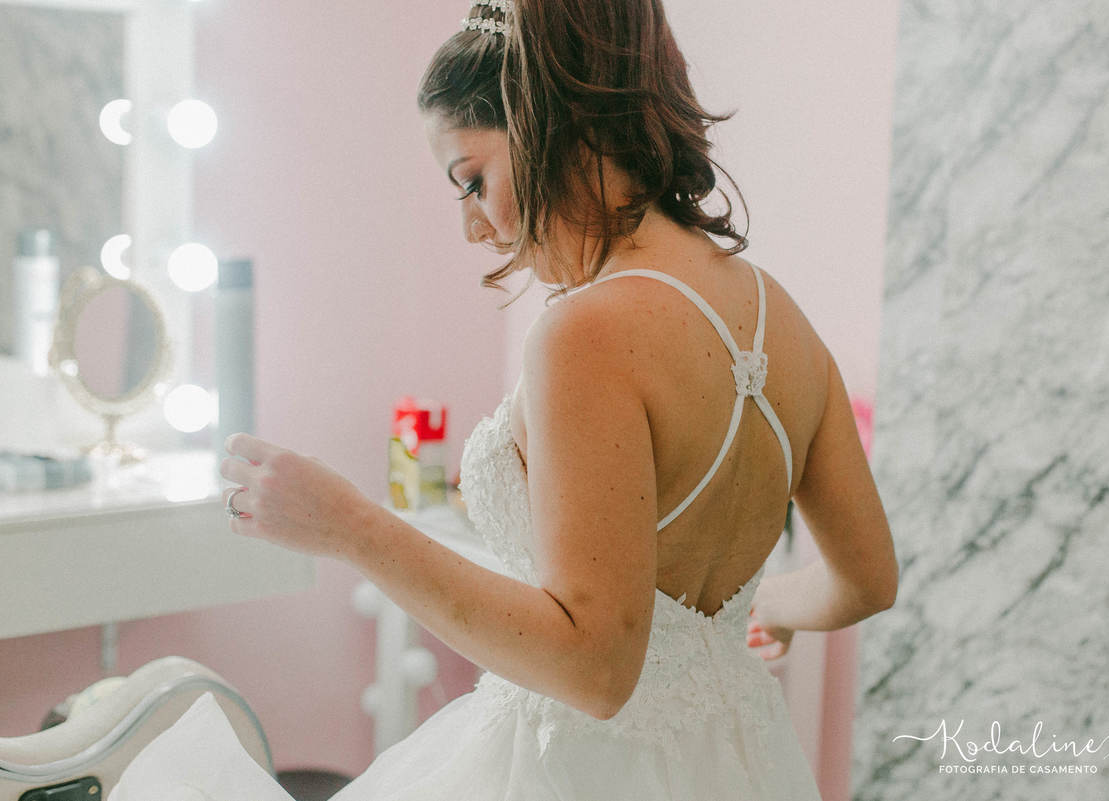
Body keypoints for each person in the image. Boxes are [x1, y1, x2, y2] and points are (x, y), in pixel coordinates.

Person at [110, 1, 898, 798]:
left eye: (473, 180)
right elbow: (868, 579)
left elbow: (595, 670)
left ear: (548, 119)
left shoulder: (587, 332)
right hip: (739, 764)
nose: (472, 227)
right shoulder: (782, 318)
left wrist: (347, 524)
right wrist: (763, 610)